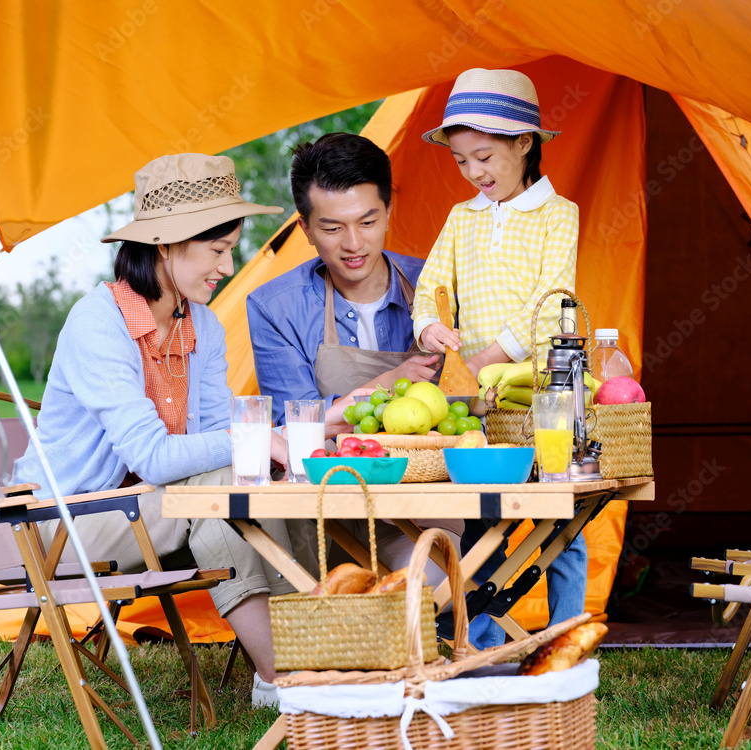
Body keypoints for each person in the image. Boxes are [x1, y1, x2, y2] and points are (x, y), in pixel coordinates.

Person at [12, 153, 292, 706]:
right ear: (165, 245)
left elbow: (209, 435)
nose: (227, 265)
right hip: (64, 524)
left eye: (230, 247)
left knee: (234, 496)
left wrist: (247, 450)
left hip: (154, 511)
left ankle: (283, 675)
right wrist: (253, 439)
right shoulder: (99, 321)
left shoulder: (203, 324)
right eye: (217, 249)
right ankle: (295, 673)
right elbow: (156, 455)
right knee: (228, 485)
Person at [414, 68, 585, 649]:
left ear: (524, 142)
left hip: (547, 391)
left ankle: (566, 633)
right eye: (461, 161)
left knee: (561, 513)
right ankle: (480, 638)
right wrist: (430, 325)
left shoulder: (559, 214)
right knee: (487, 516)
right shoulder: (463, 218)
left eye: (483, 156)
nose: (474, 173)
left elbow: (552, 297)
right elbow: (431, 282)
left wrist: (490, 354)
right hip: (484, 404)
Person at [247, 132, 458, 579]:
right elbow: (293, 433)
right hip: (329, 513)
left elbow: (465, 407)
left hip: (429, 508)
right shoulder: (274, 307)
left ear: (388, 213)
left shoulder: (437, 291)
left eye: (367, 222)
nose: (354, 244)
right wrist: (384, 385)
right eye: (332, 228)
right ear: (304, 229)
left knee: (443, 571)